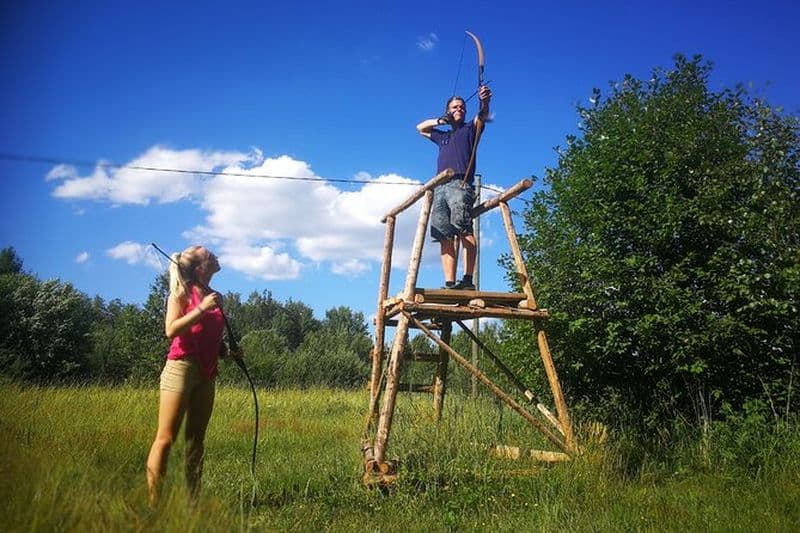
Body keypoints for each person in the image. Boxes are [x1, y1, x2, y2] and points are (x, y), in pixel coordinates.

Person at [146, 245, 241, 504]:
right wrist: (201, 309)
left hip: (207, 373)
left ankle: (192, 502)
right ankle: (155, 504)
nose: (215, 253)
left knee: (196, 441)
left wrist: (227, 352)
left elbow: (209, 336)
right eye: (208, 252)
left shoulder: (215, 295)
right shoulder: (181, 292)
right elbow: (171, 329)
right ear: (199, 267)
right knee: (166, 438)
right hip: (181, 367)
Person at [416, 85, 492, 290]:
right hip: (440, 187)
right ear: (448, 110)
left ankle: (467, 280)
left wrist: (484, 101)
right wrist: (441, 120)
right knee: (443, 235)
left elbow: (482, 115)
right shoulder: (443, 136)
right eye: (455, 107)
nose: (459, 109)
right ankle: (450, 283)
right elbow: (420, 128)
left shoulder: (471, 129)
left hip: (460, 183)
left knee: (463, 228)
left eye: (462, 107)